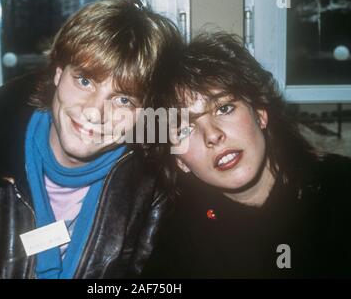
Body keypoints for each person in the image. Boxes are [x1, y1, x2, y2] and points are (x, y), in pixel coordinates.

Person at [0, 0, 182, 279]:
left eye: (123, 100)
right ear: (58, 73)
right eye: (84, 81)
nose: (95, 112)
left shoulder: (152, 186)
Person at [143, 32, 351, 278]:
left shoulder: (340, 187)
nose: (212, 135)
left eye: (224, 108)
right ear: (179, 160)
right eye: (184, 129)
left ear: (260, 113)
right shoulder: (173, 237)